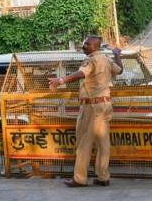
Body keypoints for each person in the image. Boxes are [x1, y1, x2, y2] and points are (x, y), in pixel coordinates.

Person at [49, 35, 123, 187]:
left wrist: (60, 81)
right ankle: (103, 177)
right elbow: (120, 70)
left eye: (87, 44)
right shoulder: (107, 59)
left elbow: (81, 74)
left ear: (95, 47)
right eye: (84, 43)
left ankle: (79, 178)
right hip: (104, 105)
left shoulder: (91, 60)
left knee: (84, 142)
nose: (83, 46)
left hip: (92, 106)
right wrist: (117, 55)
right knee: (103, 144)